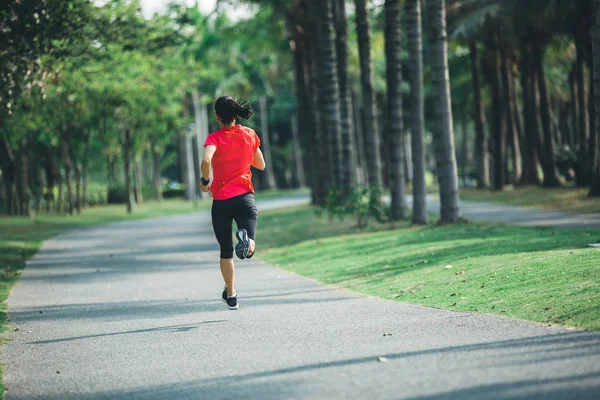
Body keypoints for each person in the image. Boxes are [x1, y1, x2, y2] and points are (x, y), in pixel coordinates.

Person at [200, 96, 266, 310]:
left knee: (226, 251)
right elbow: (261, 165)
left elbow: (206, 160)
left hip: (221, 202)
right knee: (250, 243)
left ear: (217, 116)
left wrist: (204, 181)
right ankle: (247, 242)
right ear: (236, 114)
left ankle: (231, 294)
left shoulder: (214, 138)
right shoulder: (249, 134)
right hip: (245, 198)